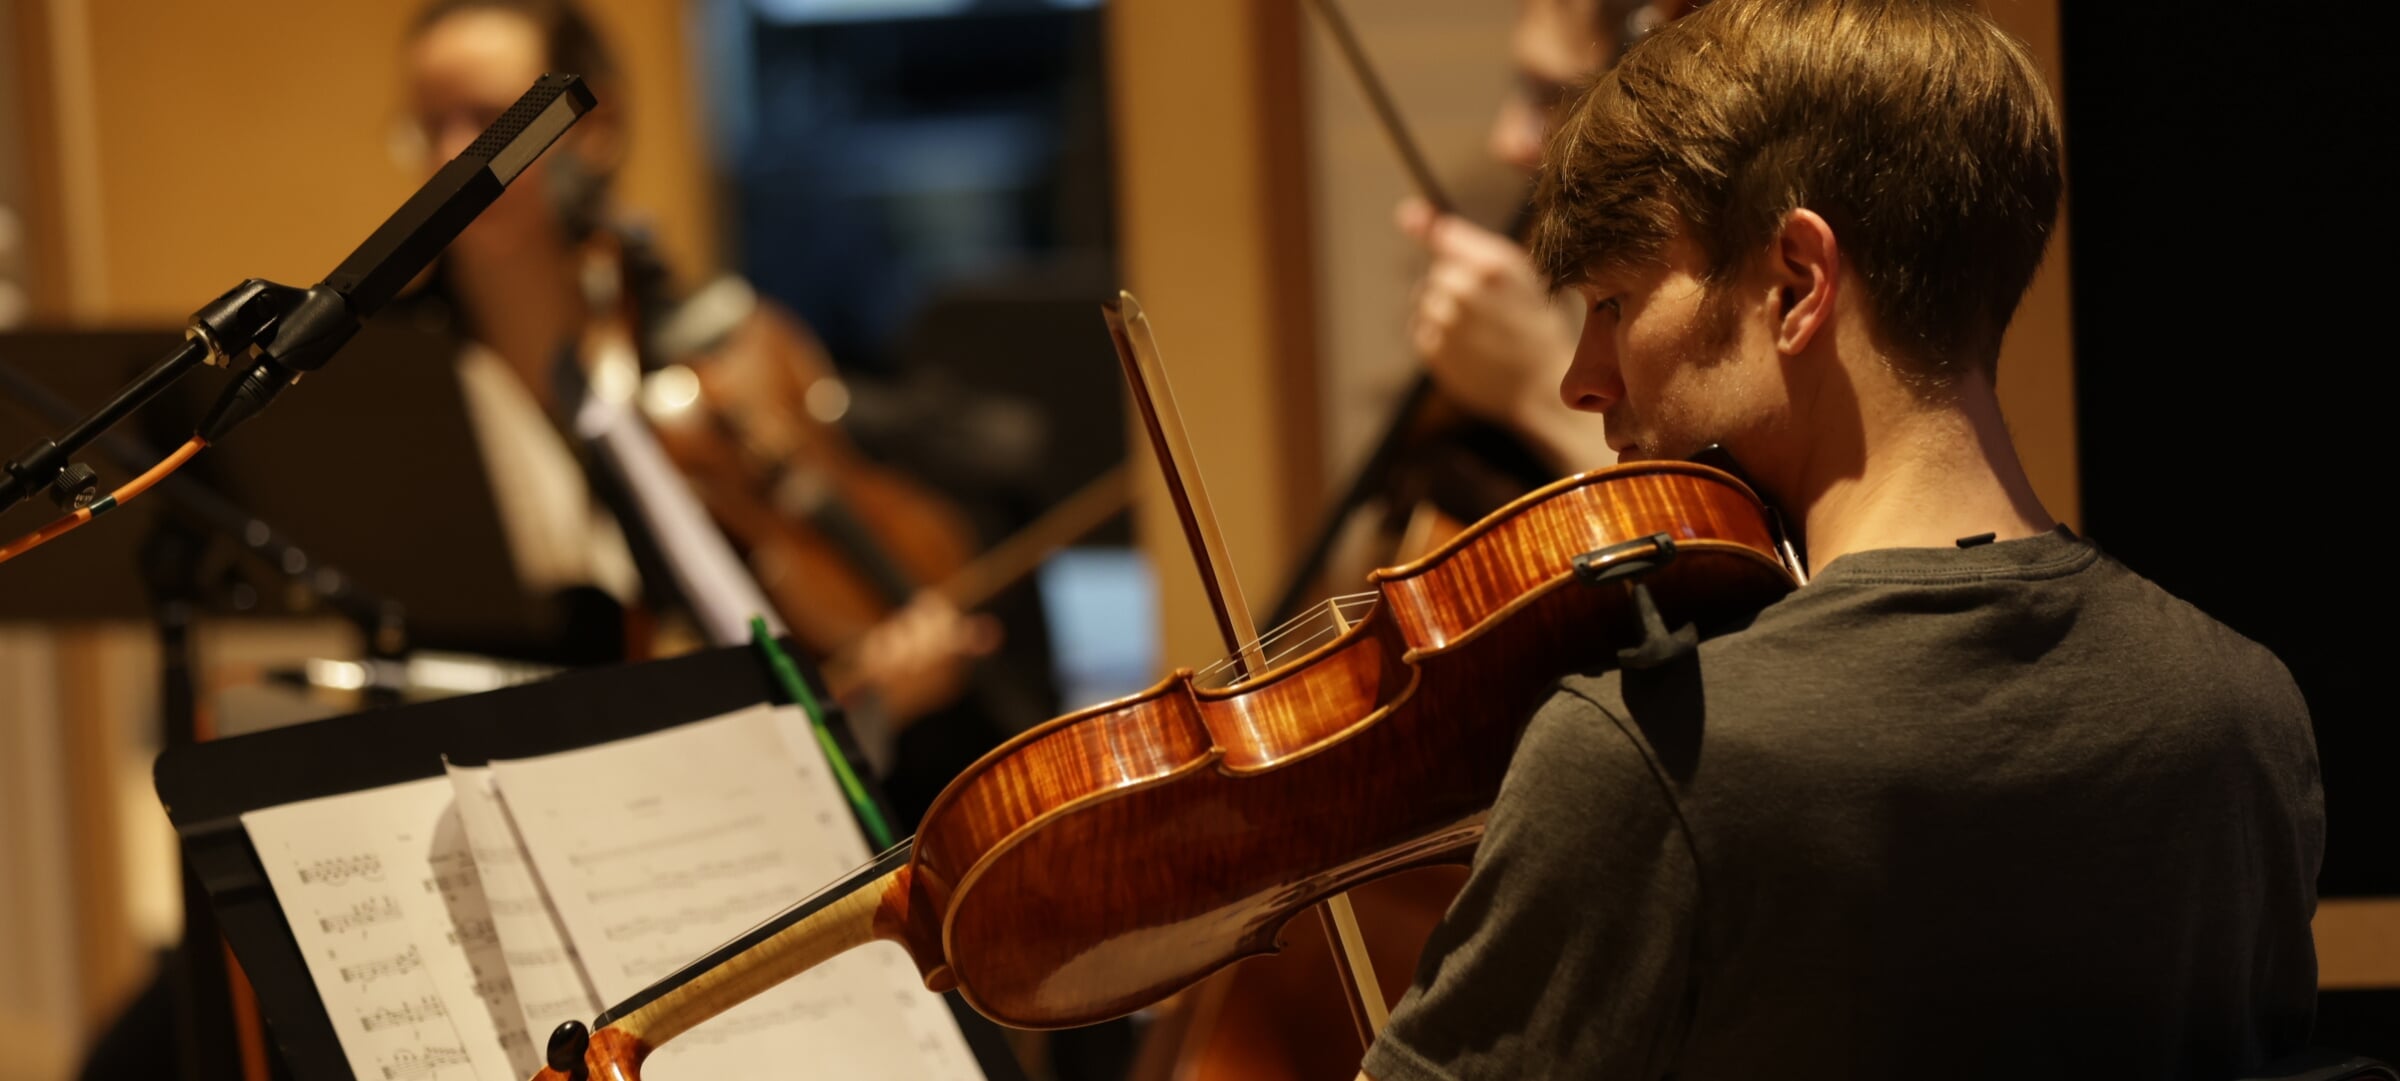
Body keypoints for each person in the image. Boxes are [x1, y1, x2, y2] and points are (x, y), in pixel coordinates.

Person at [1357, 1, 2321, 1078]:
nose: (1582, 379)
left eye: (1617, 302)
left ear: (1797, 283)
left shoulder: (1652, 755)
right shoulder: (2244, 716)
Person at [396, 0, 1003, 762]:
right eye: (428, 124)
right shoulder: (391, 383)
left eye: (492, 122)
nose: (456, 155)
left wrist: (883, 695)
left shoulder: (721, 349)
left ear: (595, 126)